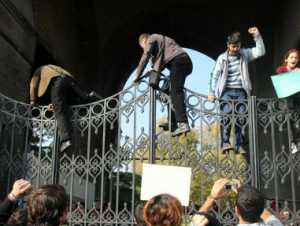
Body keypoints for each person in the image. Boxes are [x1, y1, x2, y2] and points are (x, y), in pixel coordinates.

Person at [208, 27, 266, 154]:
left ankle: (239, 144)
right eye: (233, 46)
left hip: (241, 91)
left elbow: (260, 51)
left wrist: (257, 35)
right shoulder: (222, 58)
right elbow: (215, 75)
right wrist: (212, 92)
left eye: (238, 46)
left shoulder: (244, 54)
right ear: (228, 45)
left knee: (241, 118)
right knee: (226, 116)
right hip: (226, 91)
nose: (235, 49)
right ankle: (225, 143)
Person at [30, 64, 100, 152]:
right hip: (70, 80)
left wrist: (32, 101)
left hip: (58, 82)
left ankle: (66, 140)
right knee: (77, 103)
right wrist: (54, 104)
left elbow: (33, 85)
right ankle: (91, 98)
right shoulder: (53, 67)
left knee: (60, 110)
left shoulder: (38, 70)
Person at [134, 33, 193, 136]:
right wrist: (149, 72)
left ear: (144, 41)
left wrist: (137, 75)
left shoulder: (152, 38)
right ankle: (173, 123)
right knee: (166, 89)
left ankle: (183, 123)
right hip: (179, 62)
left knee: (175, 90)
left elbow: (146, 56)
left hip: (180, 61)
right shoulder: (160, 44)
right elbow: (158, 64)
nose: (145, 48)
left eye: (143, 47)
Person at [197, 178, 283, 226]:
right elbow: (258, 206)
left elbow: (197, 221)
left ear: (236, 211)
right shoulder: (274, 224)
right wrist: (242, 193)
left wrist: (212, 197)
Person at [276, 49, 300, 154]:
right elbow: (282, 81)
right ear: (286, 59)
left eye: (296, 57)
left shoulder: (298, 71)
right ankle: (293, 143)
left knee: (297, 123)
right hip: (286, 102)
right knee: (289, 123)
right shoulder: (281, 69)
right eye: (291, 57)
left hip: (296, 101)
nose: (294, 59)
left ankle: (298, 141)